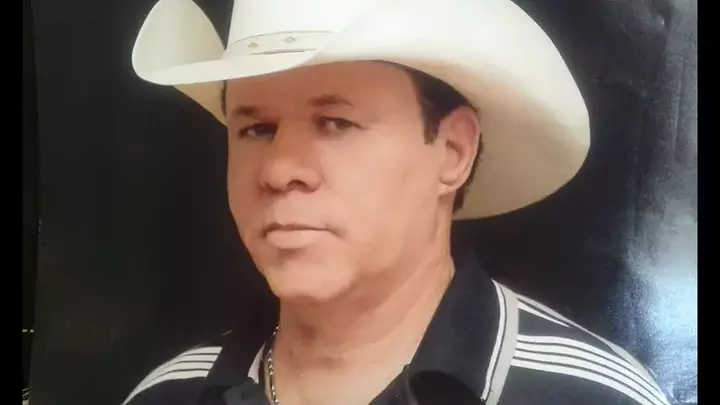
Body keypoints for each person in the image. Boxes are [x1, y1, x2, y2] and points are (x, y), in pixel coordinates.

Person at [123, 0, 672, 404]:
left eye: (335, 123)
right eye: (256, 129)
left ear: (453, 151)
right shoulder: (168, 395)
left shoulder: (588, 395)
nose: (279, 170)